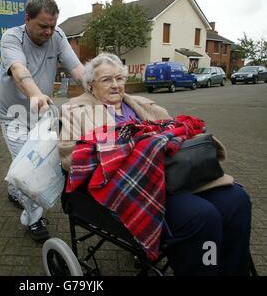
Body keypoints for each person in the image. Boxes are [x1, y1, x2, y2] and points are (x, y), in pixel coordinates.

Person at [58, 53, 252, 275]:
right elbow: (68, 157)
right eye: (106, 80)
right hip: (131, 185)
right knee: (202, 215)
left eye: (119, 79)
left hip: (173, 172)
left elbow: (171, 133)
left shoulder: (142, 104)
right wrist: (122, 149)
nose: (115, 85)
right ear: (91, 85)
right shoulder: (75, 110)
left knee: (237, 199)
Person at [0, 0, 84, 241]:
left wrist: (98, 87)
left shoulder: (57, 37)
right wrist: (35, 94)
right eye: (43, 26)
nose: (48, 32)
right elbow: (18, 70)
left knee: (33, 160)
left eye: (52, 26)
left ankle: (14, 190)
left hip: (42, 114)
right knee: (30, 167)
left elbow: (77, 69)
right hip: (13, 116)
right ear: (27, 19)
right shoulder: (12, 37)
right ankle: (32, 220)